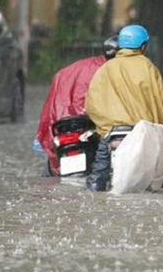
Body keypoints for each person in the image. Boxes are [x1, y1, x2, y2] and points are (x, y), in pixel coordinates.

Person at [84, 24, 163, 191]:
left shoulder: (105, 68)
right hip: (143, 131)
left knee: (98, 178)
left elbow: (92, 104)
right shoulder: (148, 67)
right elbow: (162, 100)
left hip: (112, 133)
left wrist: (105, 129)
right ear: (143, 46)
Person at [35, 37, 119, 175]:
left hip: (63, 128)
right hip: (90, 130)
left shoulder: (70, 70)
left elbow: (49, 111)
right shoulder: (115, 72)